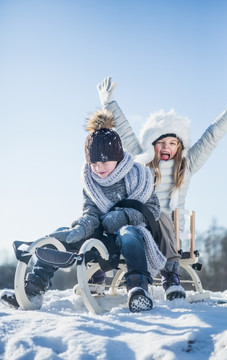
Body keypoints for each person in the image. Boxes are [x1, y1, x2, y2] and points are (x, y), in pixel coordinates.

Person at [3, 109, 166, 313]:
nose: (98, 168)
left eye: (104, 162)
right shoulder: (90, 182)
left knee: (128, 233)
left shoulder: (138, 176)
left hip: (133, 234)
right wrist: (81, 228)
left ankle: (138, 288)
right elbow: (90, 213)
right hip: (100, 237)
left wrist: (124, 216)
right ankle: (34, 289)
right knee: (60, 235)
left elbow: (152, 209)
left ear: (118, 157)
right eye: (94, 163)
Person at [96, 76, 227, 300]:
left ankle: (170, 279)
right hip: (141, 225)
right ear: (153, 144)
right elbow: (125, 132)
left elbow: (211, 138)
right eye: (161, 143)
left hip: (171, 231)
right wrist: (109, 103)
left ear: (179, 146)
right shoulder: (141, 160)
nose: (167, 147)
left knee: (162, 218)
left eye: (173, 143)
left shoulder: (187, 164)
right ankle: (96, 274)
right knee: (106, 218)